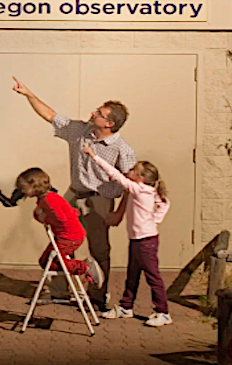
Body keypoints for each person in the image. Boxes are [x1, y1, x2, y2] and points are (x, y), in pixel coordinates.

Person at [12, 77, 135, 307]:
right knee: (61, 241)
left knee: (99, 249)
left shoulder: (122, 149)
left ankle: (97, 297)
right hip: (73, 194)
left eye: (99, 113)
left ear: (109, 123)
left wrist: (119, 212)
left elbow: (131, 183)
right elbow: (50, 115)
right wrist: (28, 94)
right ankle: (59, 292)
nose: (93, 113)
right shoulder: (80, 130)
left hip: (100, 199)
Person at [83, 144, 172, 327]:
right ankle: (126, 306)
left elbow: (115, 175)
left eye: (133, 170)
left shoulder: (139, 189)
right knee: (132, 274)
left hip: (145, 241)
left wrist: (94, 156)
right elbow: (164, 203)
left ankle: (163, 312)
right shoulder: (146, 190)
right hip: (138, 240)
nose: (129, 171)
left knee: (152, 276)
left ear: (140, 178)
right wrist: (155, 219)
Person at [14, 167, 104, 290]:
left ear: (34, 185)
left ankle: (85, 267)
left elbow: (61, 218)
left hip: (70, 236)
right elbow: (70, 212)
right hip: (64, 235)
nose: (22, 191)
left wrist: (44, 217)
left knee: (54, 261)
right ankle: (70, 276)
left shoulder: (49, 200)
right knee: (45, 261)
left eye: (24, 187)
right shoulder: (46, 198)